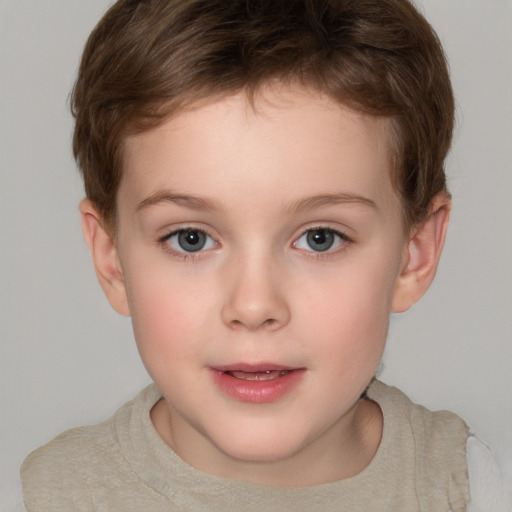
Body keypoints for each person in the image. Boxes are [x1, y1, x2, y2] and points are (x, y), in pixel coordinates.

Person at [19, 0, 506, 510]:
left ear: (415, 254)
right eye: (191, 238)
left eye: (321, 238)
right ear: (112, 259)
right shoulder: (39, 493)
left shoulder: (476, 487)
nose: (253, 306)